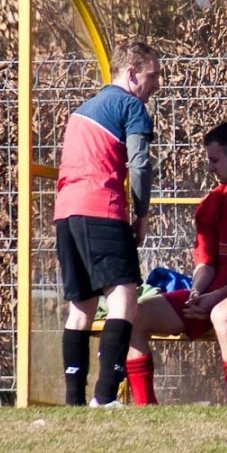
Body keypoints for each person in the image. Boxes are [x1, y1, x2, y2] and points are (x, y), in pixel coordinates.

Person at [124, 122, 227, 406]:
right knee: (134, 315)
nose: (210, 168)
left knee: (223, 314)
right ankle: (145, 407)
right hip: (213, 295)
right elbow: (206, 260)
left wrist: (217, 296)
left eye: (214, 160)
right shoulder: (214, 201)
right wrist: (197, 291)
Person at [55, 41, 161, 407]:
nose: (156, 84)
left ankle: (73, 402)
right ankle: (105, 396)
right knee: (124, 298)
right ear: (131, 74)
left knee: (81, 306)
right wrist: (141, 214)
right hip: (102, 208)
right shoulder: (131, 106)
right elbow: (140, 164)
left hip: (66, 213)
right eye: (152, 75)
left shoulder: (82, 110)